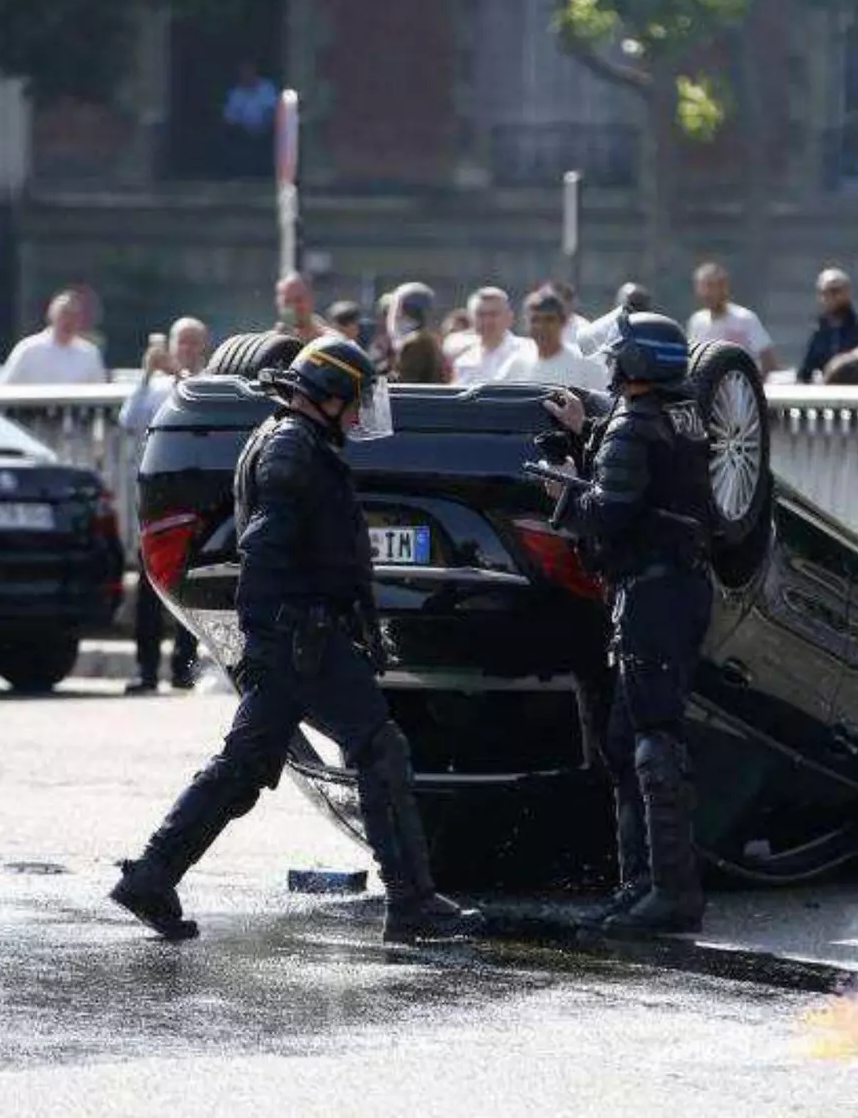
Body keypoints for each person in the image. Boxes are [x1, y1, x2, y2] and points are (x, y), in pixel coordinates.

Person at [111, 332, 484, 943]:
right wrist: (277, 641)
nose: (363, 413)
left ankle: (153, 875)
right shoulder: (291, 451)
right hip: (300, 641)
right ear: (329, 395)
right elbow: (262, 550)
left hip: (293, 640)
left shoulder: (298, 440)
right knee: (380, 748)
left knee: (243, 764)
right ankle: (412, 902)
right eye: (357, 399)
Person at [539, 312, 715, 934]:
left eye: (617, 357)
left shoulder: (635, 426)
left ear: (635, 365)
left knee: (652, 741)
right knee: (626, 741)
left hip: (653, 598)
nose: (608, 364)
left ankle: (670, 892)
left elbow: (607, 511)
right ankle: (640, 883)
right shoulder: (677, 415)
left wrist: (559, 488)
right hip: (669, 591)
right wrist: (589, 429)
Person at [119, 318, 210, 693]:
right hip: (157, 492)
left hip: (193, 491)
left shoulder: (206, 383)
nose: (186, 349)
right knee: (148, 585)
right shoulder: (154, 387)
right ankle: (146, 668)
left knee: (190, 582)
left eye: (193, 343)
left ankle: (183, 666)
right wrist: (145, 376)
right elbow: (128, 419)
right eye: (181, 343)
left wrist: (180, 375)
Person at [0, 290, 108, 385]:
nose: (69, 321)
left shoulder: (90, 353)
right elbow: (3, 388)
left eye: (74, 316)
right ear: (51, 316)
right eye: (64, 314)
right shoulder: (29, 349)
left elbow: (100, 393)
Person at [501, 289, 608, 388]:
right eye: (535, 320)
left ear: (563, 322)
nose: (541, 326)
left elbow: (604, 404)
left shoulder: (586, 363)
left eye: (549, 319)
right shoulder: (518, 362)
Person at [686, 262, 777, 373]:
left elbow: (768, 359)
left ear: (724, 287)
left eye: (710, 285)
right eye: (701, 286)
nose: (706, 293)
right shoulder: (697, 321)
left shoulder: (745, 319)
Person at [447, 287, 533, 384]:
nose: (487, 321)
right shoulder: (463, 361)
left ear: (509, 317)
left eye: (493, 314)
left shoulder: (528, 351)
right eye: (481, 314)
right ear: (471, 319)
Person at [798, 268, 858, 383]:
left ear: (847, 293)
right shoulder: (819, 332)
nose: (829, 297)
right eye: (824, 292)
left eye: (834, 291)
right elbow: (805, 373)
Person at [575, 282, 652, 358]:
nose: (637, 310)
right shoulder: (607, 327)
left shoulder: (650, 331)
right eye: (633, 305)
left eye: (642, 306)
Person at [275, 272, 328, 341]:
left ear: (311, 298)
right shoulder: (269, 345)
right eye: (287, 302)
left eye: (298, 300)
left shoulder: (329, 340)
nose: (294, 306)